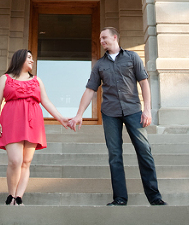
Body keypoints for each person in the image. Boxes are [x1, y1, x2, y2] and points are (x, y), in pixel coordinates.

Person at [68, 27, 167, 206]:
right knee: (115, 155)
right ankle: (120, 198)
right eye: (100, 39)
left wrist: (147, 110)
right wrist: (79, 114)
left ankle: (154, 197)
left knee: (144, 151)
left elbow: (144, 83)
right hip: (110, 113)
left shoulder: (132, 57)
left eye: (104, 37)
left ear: (114, 37)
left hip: (133, 111)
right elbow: (90, 90)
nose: (101, 41)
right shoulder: (99, 65)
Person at [0, 49, 68, 205]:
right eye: (29, 58)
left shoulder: (37, 80)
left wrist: (60, 118)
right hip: (12, 120)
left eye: (32, 58)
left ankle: (19, 197)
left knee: (26, 161)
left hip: (33, 122)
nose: (32, 60)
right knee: (15, 160)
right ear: (20, 59)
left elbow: (45, 101)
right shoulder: (5, 78)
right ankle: (11, 195)